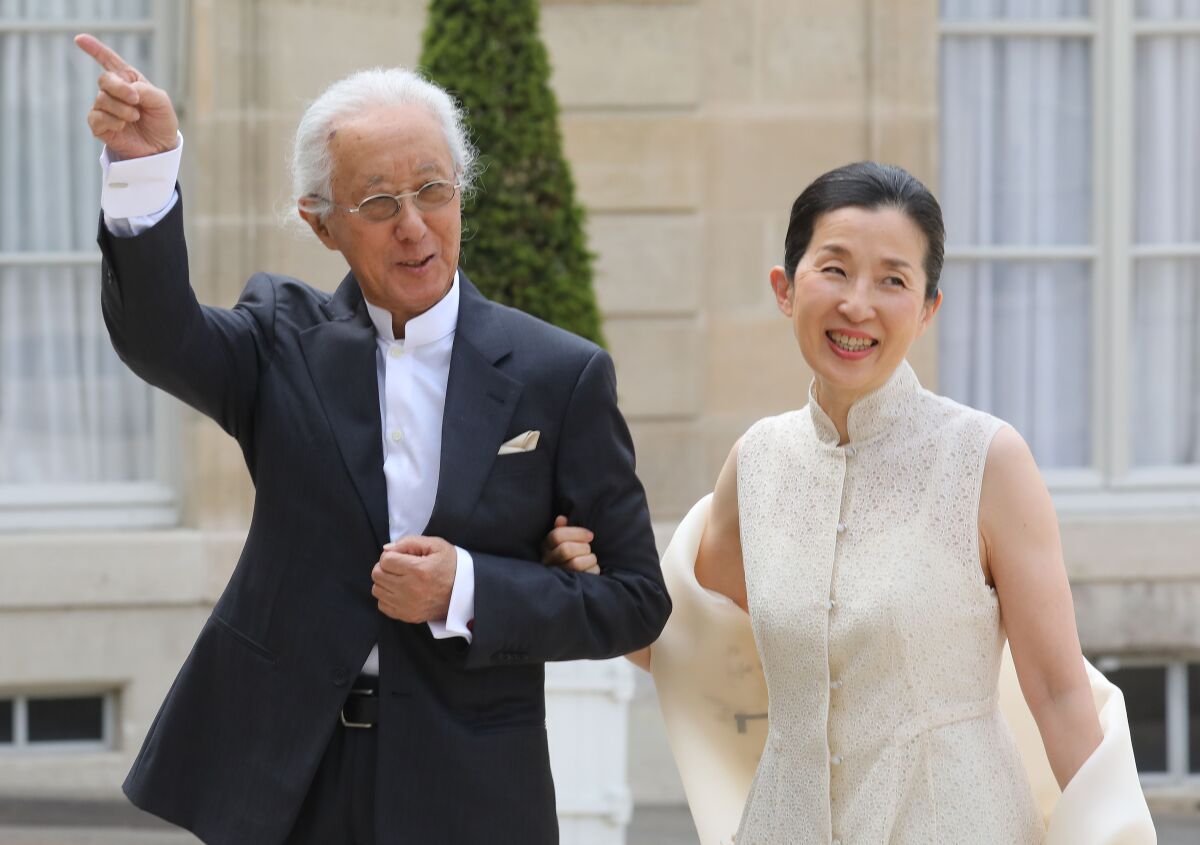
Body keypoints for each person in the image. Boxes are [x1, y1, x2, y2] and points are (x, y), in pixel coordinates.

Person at [75, 34, 670, 845]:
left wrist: (467, 588)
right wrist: (145, 172)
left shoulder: (558, 373)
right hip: (292, 776)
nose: (415, 227)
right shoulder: (281, 339)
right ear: (321, 225)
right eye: (380, 204)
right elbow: (157, 334)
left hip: (470, 786)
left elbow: (635, 602)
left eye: (434, 190)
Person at [561, 163, 1156, 843]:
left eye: (893, 280)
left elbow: (1058, 694)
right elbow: (679, 642)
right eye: (835, 270)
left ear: (929, 307)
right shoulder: (756, 462)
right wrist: (582, 577)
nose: (857, 305)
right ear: (785, 288)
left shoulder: (987, 460)